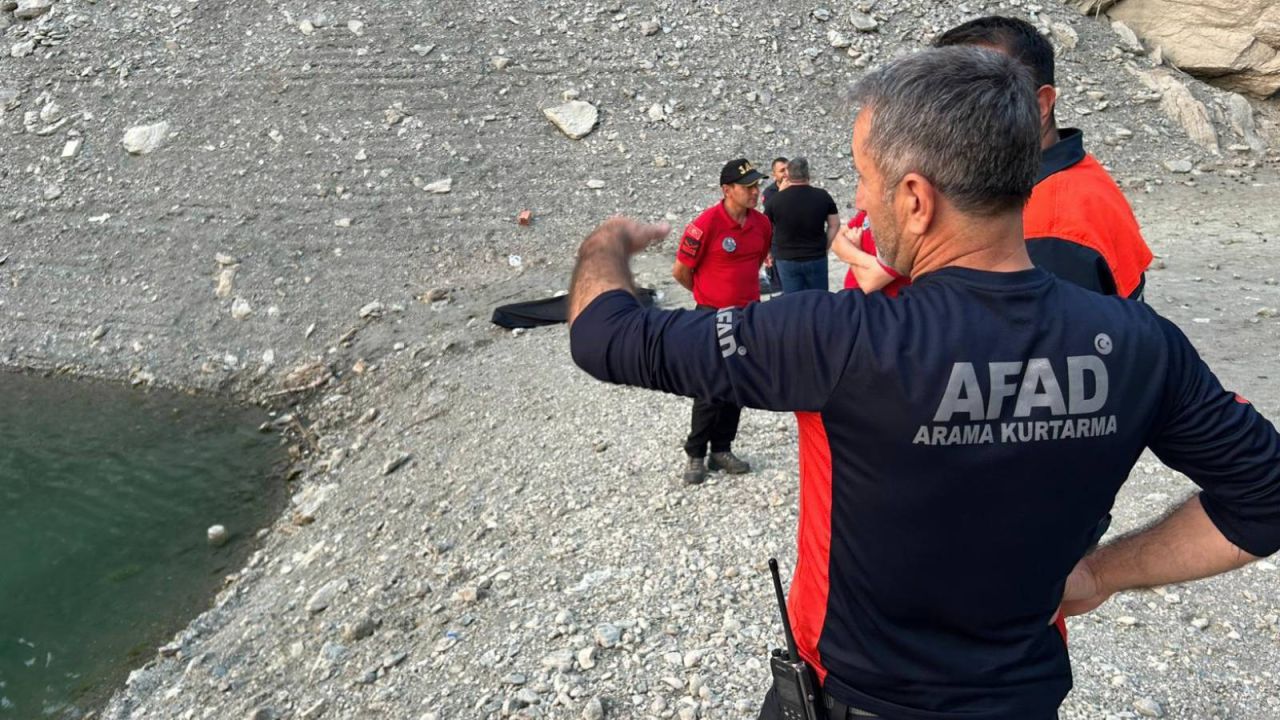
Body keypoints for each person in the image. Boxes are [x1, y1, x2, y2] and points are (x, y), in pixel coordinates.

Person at [568, 47, 1280, 720]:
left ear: (915, 198)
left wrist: (604, 245)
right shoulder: (1137, 342)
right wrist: (1102, 574)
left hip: (857, 698)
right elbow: (1264, 497)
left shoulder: (841, 337)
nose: (857, 199)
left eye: (865, 177)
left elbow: (607, 339)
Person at [836, 15, 1153, 300]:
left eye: (992, 89)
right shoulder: (1077, 176)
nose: (961, 112)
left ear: (1040, 106)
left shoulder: (1044, 225)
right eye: (949, 96)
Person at [669, 158, 772, 485]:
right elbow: (681, 271)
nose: (756, 192)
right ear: (727, 190)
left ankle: (722, 448)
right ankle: (696, 454)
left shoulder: (762, 224)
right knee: (709, 386)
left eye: (757, 185)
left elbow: (756, 260)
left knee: (738, 384)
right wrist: (707, 297)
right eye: (748, 187)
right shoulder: (705, 225)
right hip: (711, 316)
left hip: (748, 316)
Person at [762, 157, 841, 293]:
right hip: (816, 256)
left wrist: (767, 251)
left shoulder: (775, 200)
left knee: (793, 303)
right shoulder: (823, 196)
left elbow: (764, 228)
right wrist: (825, 245)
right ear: (808, 174)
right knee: (820, 300)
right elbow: (835, 224)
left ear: (789, 175)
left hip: (786, 259)